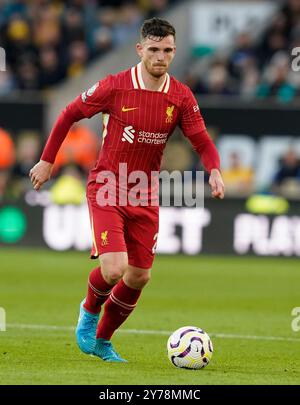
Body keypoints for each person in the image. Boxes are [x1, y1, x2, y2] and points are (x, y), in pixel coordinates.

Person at [29, 17, 225, 363]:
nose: (160, 57)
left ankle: (103, 341)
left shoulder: (180, 96)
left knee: (139, 276)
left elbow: (202, 141)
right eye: (154, 49)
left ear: (174, 52)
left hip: (145, 192)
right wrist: (47, 161)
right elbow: (68, 114)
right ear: (140, 49)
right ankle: (88, 314)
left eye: (167, 50)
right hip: (108, 186)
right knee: (114, 269)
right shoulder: (115, 86)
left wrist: (214, 171)